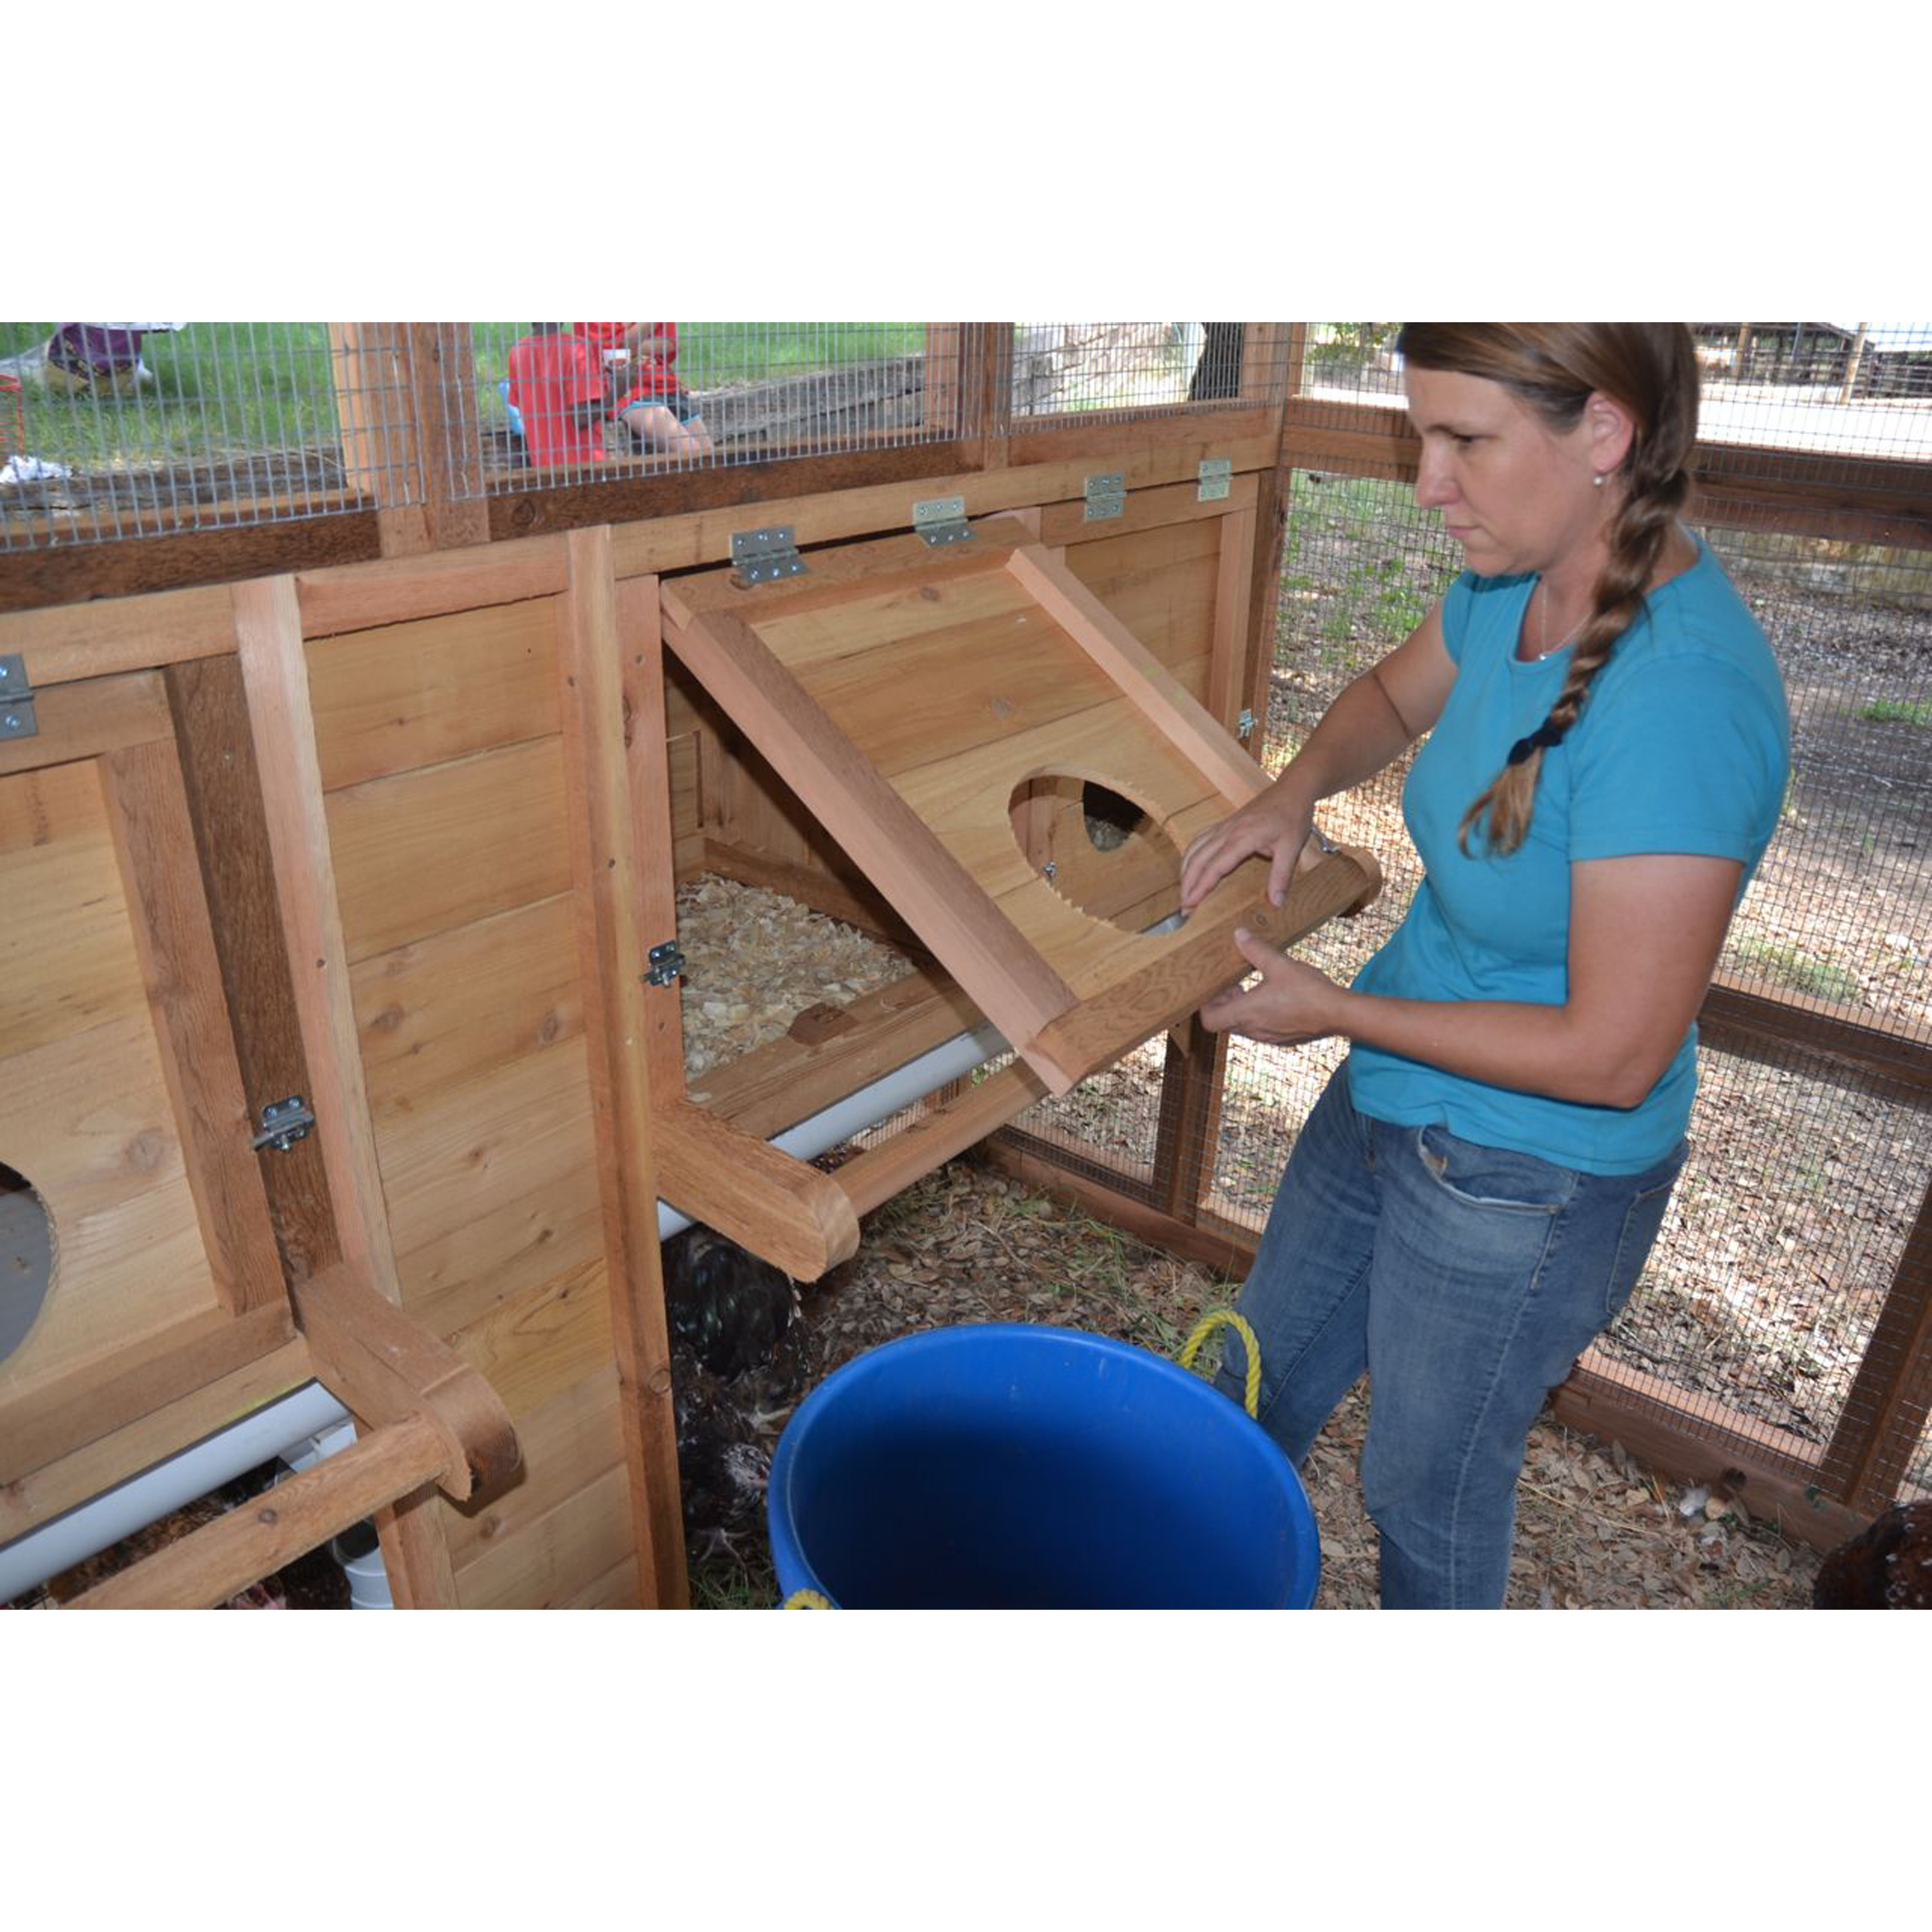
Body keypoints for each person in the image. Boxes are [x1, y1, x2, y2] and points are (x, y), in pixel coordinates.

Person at [1178, 325, 1790, 1609]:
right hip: (1397, 1079)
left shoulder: (1681, 698)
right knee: (1250, 1375)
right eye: (1422, 436)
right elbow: (1390, 703)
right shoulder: (1515, 578)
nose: (1427, 484)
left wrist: (1339, 1011)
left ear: (1605, 434)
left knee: (1423, 1482)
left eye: (1464, 440)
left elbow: (1615, 1056)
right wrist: (1293, 793)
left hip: (1530, 1174)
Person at [577, 321, 713, 457]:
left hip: (664, 382)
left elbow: (670, 344)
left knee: (710, 457)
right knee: (691, 452)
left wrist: (626, 347)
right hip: (626, 389)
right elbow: (610, 352)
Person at [505, 323, 609, 467]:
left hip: (545, 469)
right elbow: (583, 418)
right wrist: (621, 386)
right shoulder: (576, 347)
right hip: (586, 466)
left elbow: (518, 403)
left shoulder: (517, 352)